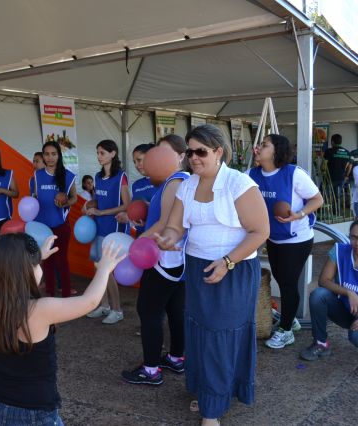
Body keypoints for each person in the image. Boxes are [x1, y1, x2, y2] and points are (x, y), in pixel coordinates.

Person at [153, 124, 269, 426]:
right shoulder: (187, 185)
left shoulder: (239, 183)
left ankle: (212, 410)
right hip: (197, 268)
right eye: (190, 152)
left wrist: (227, 262)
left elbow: (260, 231)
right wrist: (167, 238)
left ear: (218, 152)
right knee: (201, 334)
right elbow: (175, 226)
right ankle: (208, 392)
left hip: (234, 271)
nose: (193, 157)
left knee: (220, 336)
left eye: (200, 152)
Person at [0, 233, 124, 425]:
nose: (39, 266)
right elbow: (89, 301)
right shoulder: (39, 310)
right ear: (25, 270)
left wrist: (37, 256)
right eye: (36, 264)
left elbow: (12, 267)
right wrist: (104, 269)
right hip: (34, 413)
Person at [122, 134, 189, 385]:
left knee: (148, 310)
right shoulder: (174, 180)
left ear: (180, 156)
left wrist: (135, 244)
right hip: (173, 259)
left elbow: (165, 223)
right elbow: (163, 216)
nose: (157, 157)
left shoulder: (175, 180)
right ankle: (176, 358)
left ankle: (151, 370)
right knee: (174, 310)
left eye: (165, 152)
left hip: (164, 258)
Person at [249, 134, 323, 349]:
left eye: (264, 145)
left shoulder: (294, 174)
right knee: (281, 281)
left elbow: (318, 199)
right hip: (272, 237)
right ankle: (290, 320)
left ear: (277, 151)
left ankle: (286, 330)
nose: (258, 148)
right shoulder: (251, 174)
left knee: (288, 284)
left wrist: (299, 214)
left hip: (297, 239)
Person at [84, 139, 130, 324]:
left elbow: (127, 205)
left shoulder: (121, 177)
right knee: (98, 267)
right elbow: (97, 200)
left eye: (102, 153)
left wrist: (102, 212)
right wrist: (89, 206)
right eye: (97, 152)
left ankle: (117, 310)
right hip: (98, 227)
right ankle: (104, 305)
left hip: (113, 229)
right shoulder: (97, 176)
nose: (99, 156)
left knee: (106, 270)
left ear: (113, 154)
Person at [300, 219, 358, 361]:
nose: (357, 243)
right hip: (344, 309)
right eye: (353, 237)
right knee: (318, 295)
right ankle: (321, 343)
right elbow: (323, 280)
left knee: (355, 336)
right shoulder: (340, 250)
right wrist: (349, 292)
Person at [30, 141, 77, 298]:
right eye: (47, 154)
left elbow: (74, 198)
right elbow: (34, 197)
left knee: (61, 261)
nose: (50, 157)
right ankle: (50, 294)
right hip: (42, 227)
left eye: (53, 154)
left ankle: (66, 296)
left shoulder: (68, 175)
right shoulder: (37, 175)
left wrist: (65, 202)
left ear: (59, 155)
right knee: (47, 262)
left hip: (60, 225)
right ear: (43, 156)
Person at [323, 133, 351, 211]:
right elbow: (349, 166)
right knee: (337, 196)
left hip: (330, 177)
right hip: (341, 178)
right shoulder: (347, 152)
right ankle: (336, 211)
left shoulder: (329, 151)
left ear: (332, 142)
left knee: (323, 193)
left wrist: (322, 170)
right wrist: (346, 175)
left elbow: (323, 165)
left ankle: (320, 210)